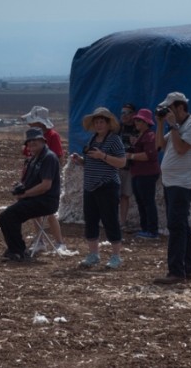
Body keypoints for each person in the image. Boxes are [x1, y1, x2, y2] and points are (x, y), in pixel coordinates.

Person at [153, 92, 191, 285]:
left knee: (176, 227)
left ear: (180, 107)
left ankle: (176, 272)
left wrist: (173, 125)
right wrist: (160, 123)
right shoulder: (178, 127)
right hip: (172, 182)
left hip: (183, 183)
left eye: (170, 108)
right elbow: (159, 145)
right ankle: (189, 269)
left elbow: (181, 148)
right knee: (182, 226)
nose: (168, 112)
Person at [69, 107, 126, 270]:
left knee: (110, 220)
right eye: (96, 122)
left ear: (108, 124)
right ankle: (93, 254)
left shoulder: (114, 140)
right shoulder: (92, 140)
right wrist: (80, 161)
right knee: (91, 220)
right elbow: (90, 163)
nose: (99, 125)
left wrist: (104, 156)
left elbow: (122, 162)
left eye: (102, 122)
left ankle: (116, 256)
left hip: (107, 185)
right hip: (90, 186)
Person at [0, 128, 62, 262]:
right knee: (5, 217)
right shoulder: (33, 159)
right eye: (29, 142)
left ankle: (19, 251)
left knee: (10, 216)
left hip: (45, 201)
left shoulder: (48, 157)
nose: (32, 144)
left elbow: (46, 185)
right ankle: (15, 249)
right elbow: (30, 182)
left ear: (43, 141)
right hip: (34, 199)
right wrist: (20, 188)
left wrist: (25, 193)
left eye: (35, 140)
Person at [20, 105, 71, 256]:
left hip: (47, 178)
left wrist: (52, 175)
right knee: (35, 210)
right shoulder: (31, 137)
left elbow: (59, 157)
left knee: (49, 212)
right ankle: (40, 241)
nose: (29, 124)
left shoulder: (52, 136)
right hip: (32, 176)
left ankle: (60, 242)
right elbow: (27, 154)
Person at [125, 108, 161, 239]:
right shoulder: (142, 135)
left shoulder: (150, 136)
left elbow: (149, 155)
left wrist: (131, 156)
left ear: (146, 123)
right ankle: (145, 228)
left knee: (147, 201)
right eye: (136, 120)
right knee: (141, 201)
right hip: (139, 173)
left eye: (139, 120)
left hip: (147, 173)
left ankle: (152, 230)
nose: (136, 123)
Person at [118, 103, 138, 230]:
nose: (124, 115)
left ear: (133, 115)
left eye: (127, 113)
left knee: (125, 195)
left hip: (129, 167)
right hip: (115, 166)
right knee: (113, 194)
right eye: (122, 113)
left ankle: (122, 222)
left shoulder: (138, 129)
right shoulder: (117, 129)